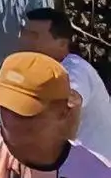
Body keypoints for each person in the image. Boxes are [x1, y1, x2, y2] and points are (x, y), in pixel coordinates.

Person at [18, 10, 111, 161]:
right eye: (24, 32)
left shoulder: (74, 69)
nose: (25, 40)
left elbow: (70, 99)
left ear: (62, 43)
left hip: (100, 168)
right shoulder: (44, 72)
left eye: (34, 36)